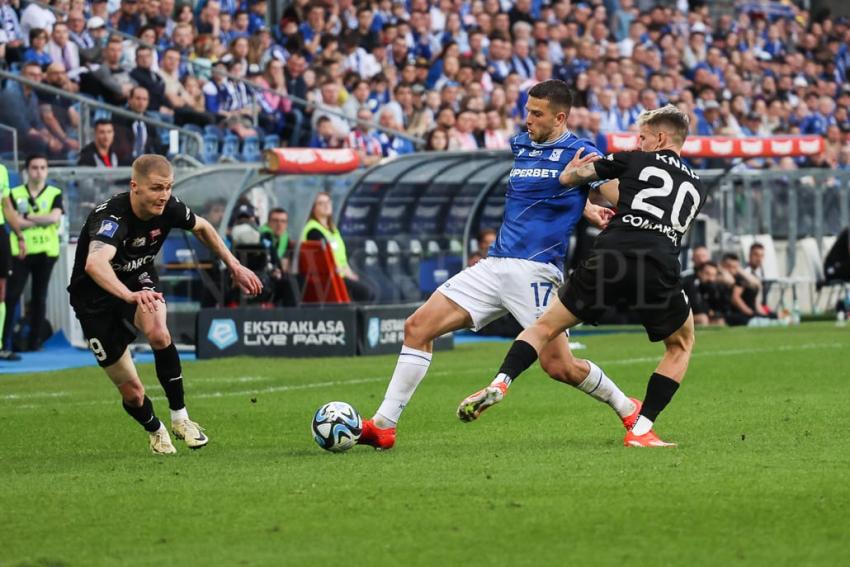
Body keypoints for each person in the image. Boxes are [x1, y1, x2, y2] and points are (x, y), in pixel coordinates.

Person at [358, 80, 636, 450]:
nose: (528, 120)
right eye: (527, 111)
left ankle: (629, 408)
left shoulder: (581, 151)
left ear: (560, 117)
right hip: (494, 263)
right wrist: (583, 207)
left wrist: (617, 198)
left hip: (536, 270)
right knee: (417, 327)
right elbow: (539, 192)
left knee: (560, 367)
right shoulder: (521, 144)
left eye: (537, 114)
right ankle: (383, 426)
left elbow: (614, 189)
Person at [460, 105, 707, 448]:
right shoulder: (697, 186)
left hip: (609, 258)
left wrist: (575, 173)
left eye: (644, 136)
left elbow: (570, 178)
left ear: (661, 138)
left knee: (544, 327)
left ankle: (502, 381)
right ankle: (641, 430)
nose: (639, 141)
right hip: (657, 265)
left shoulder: (631, 159)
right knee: (681, 345)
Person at [66, 154, 262, 454]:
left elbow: (203, 227)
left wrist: (234, 266)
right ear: (135, 187)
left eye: (168, 187)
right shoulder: (111, 218)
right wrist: (129, 296)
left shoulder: (169, 207)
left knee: (159, 331)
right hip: (94, 298)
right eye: (157, 188)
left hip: (138, 278)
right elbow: (95, 264)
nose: (164, 196)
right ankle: (155, 430)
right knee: (132, 392)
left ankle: (181, 419)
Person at [3, 155, 63, 352]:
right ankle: (7, 342)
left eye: (42, 167)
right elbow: (13, 220)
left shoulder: (54, 192)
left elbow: (54, 218)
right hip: (20, 251)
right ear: (27, 170)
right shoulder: (14, 192)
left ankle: (35, 342)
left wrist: (26, 217)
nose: (38, 171)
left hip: (46, 251)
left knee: (40, 297)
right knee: (12, 296)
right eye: (34, 167)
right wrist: (39, 219)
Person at [301, 191, 373, 303]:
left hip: (341, 274)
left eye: (328, 202)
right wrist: (343, 271)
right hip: (330, 278)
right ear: (313, 208)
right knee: (365, 292)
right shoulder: (313, 230)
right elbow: (322, 258)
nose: (326, 205)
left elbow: (341, 256)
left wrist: (349, 272)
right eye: (321, 203)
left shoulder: (332, 228)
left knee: (371, 288)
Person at [0, 162, 24, 361]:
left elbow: (6, 205)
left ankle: (0, 345)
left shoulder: (1, 170)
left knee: (1, 292)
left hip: (0, 233)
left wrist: (19, 235)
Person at [260, 207, 299, 306]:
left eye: (283, 221)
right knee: (289, 283)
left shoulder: (285, 238)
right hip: (262, 276)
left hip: (276, 276)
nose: (279, 225)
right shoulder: (263, 235)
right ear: (268, 222)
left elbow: (284, 264)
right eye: (275, 221)